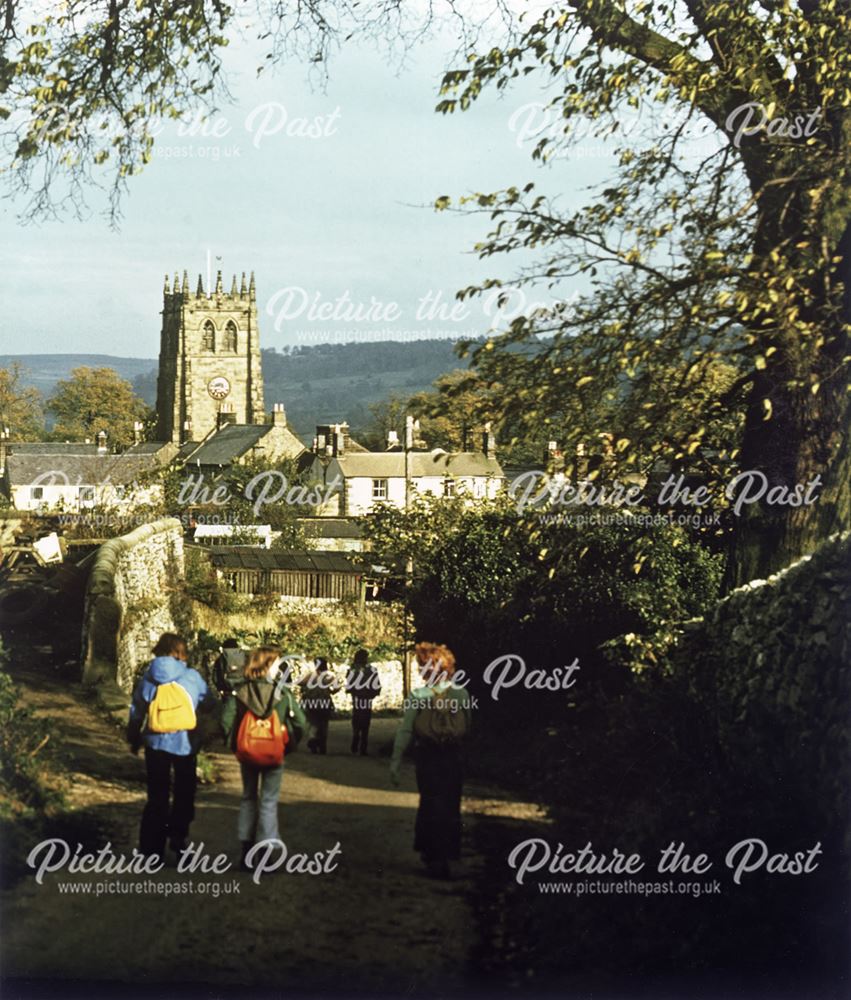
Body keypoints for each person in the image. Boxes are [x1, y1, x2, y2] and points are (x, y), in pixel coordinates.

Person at [127, 632, 215, 861]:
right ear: (181, 653)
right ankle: (178, 836)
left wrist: (133, 737)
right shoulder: (191, 676)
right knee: (184, 792)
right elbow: (209, 702)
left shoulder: (148, 678)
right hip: (186, 743)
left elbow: (136, 710)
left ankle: (151, 847)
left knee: (157, 794)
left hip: (155, 742)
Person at [390, 642, 471, 880]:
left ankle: (430, 853)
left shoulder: (418, 695)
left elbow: (406, 731)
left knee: (430, 801)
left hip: (428, 755)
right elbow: (469, 727)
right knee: (450, 803)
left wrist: (396, 761)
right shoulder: (462, 693)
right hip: (453, 755)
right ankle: (447, 855)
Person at [221, 646, 306, 870]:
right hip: (273, 753)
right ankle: (267, 854)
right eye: (277, 663)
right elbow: (300, 722)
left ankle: (246, 852)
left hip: (248, 753)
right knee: (268, 802)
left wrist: (235, 745)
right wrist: (288, 744)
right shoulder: (282, 693)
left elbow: (225, 721)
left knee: (248, 798)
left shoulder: (240, 692)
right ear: (268, 666)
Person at [300, 657, 339, 755]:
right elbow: (336, 688)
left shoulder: (310, 675)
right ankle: (322, 745)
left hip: (311, 702)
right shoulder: (329, 676)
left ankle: (313, 739)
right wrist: (330, 691)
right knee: (323, 724)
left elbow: (300, 683)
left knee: (313, 722)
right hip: (324, 702)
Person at [346, 648, 381, 755]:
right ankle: (363, 745)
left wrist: (352, 690)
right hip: (367, 698)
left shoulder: (352, 670)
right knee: (366, 720)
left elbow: (349, 684)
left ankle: (356, 735)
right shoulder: (371, 670)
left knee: (356, 718)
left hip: (357, 697)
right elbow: (377, 685)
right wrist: (373, 693)